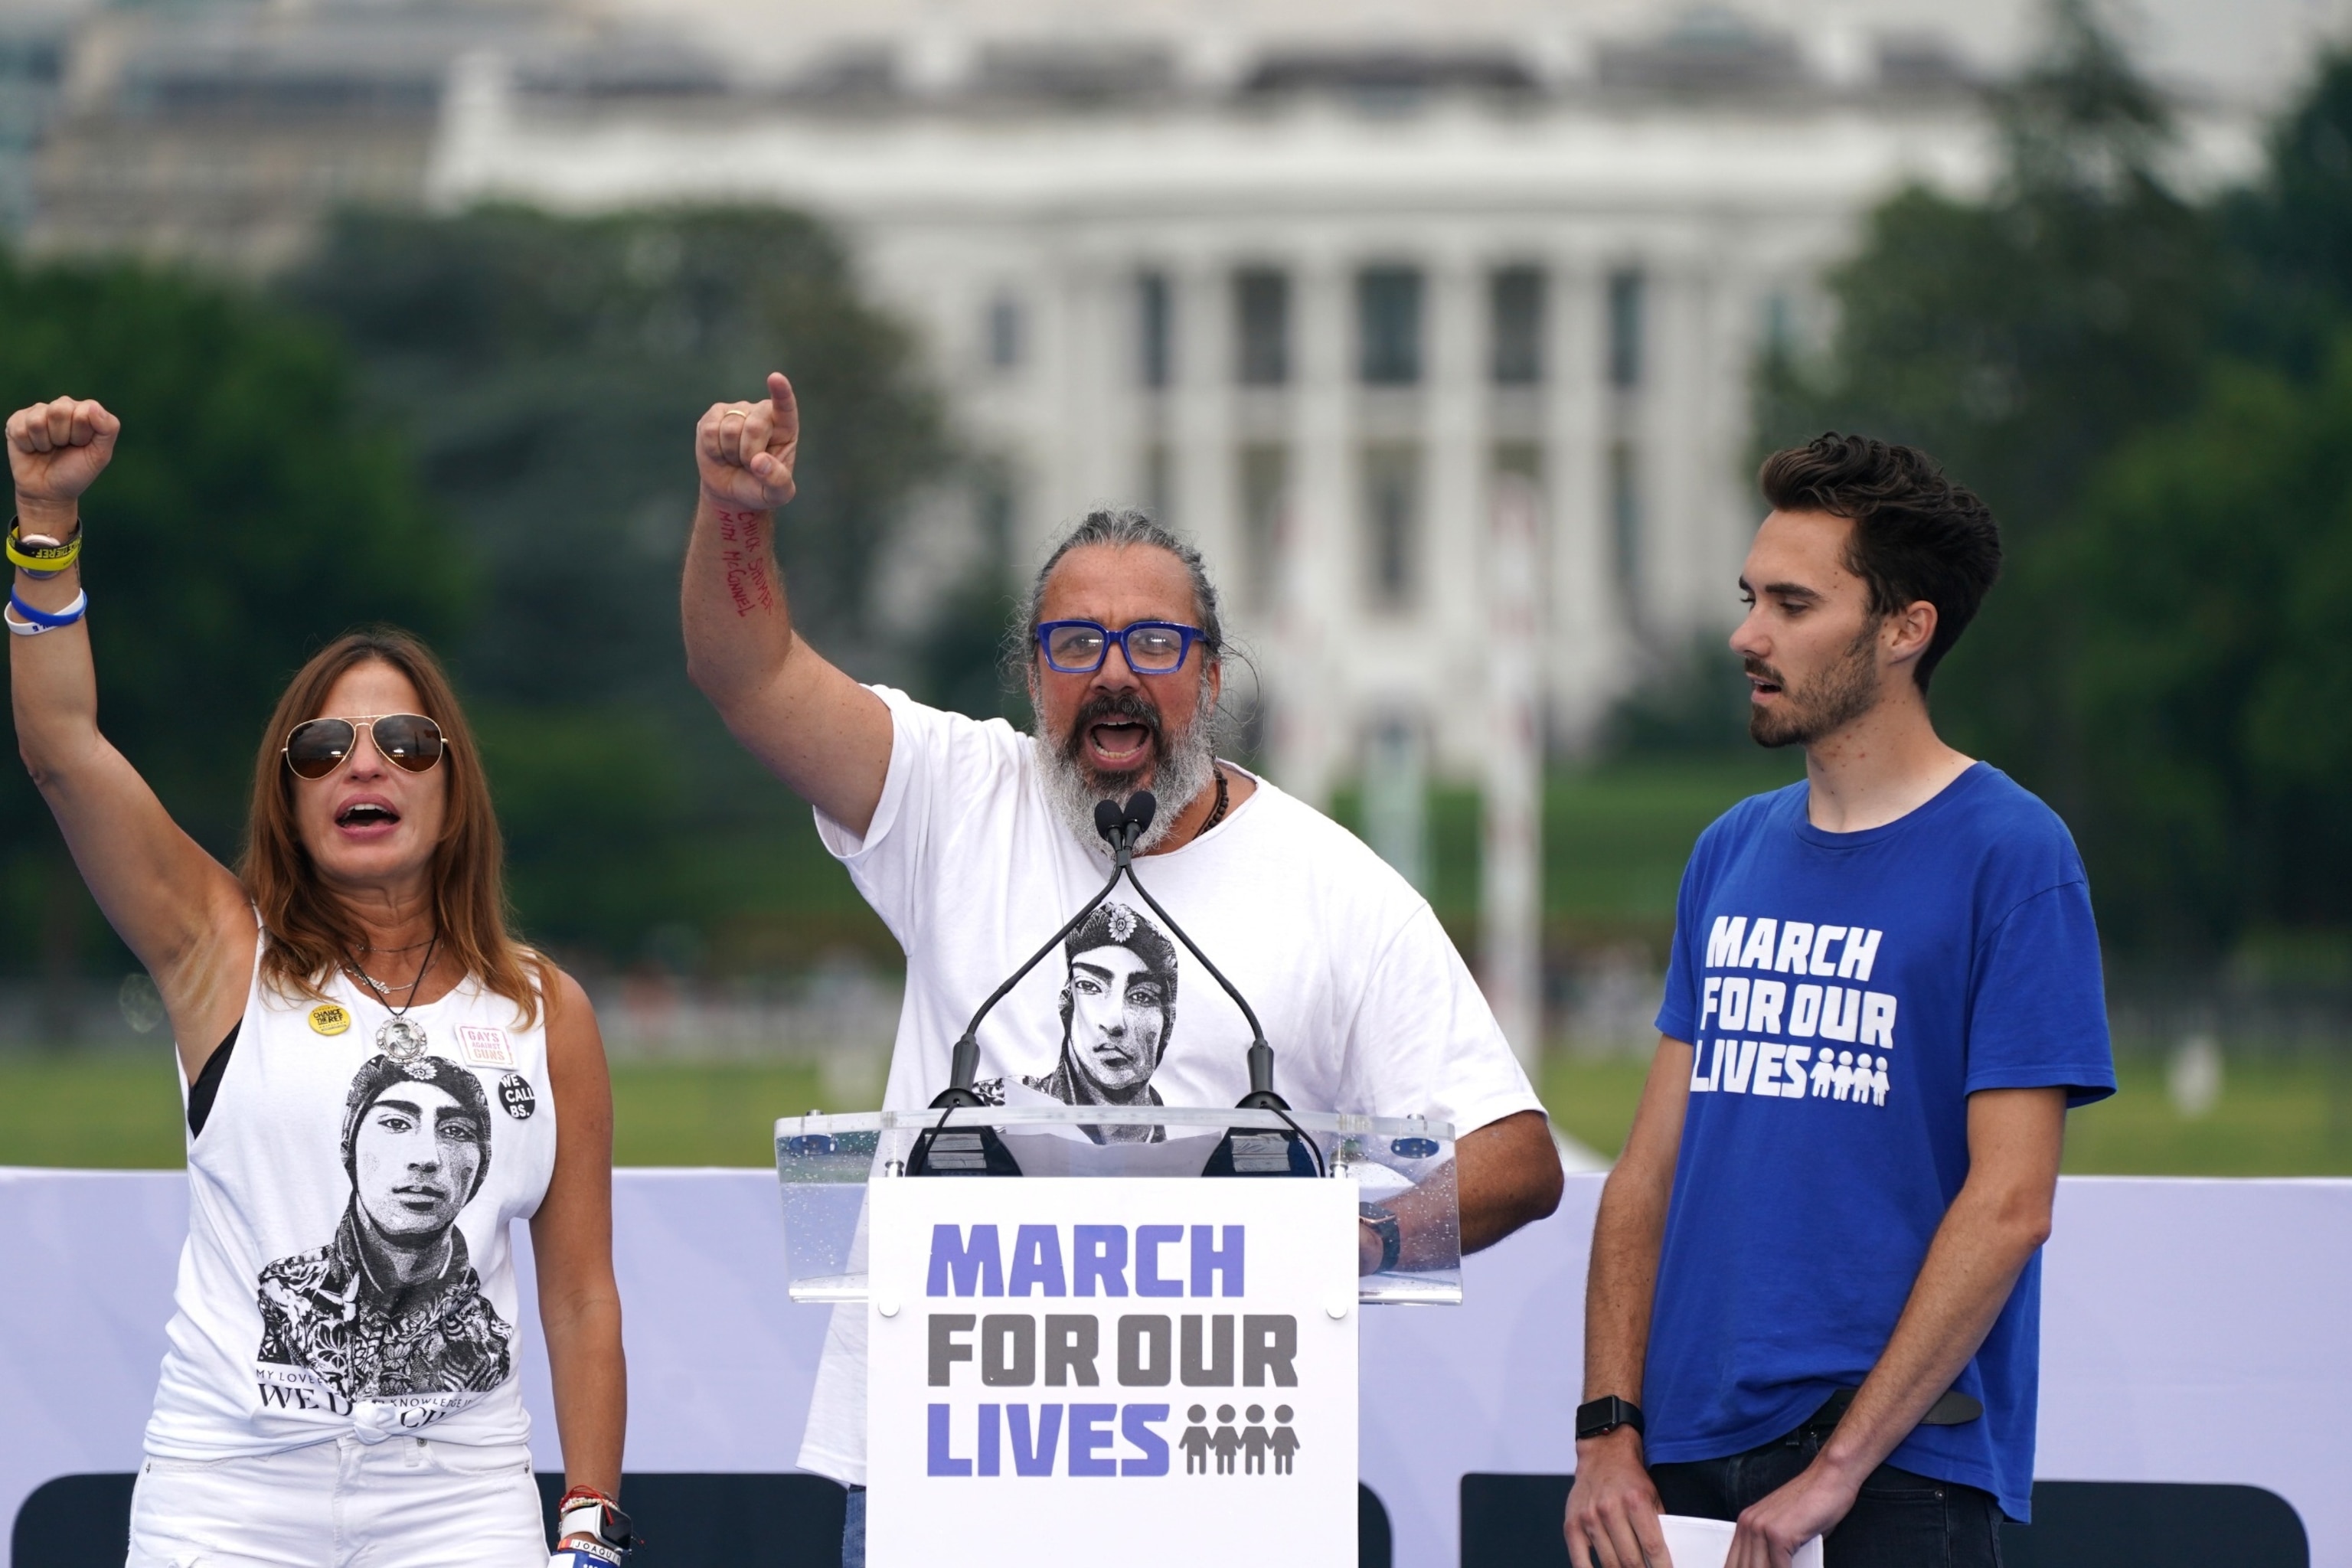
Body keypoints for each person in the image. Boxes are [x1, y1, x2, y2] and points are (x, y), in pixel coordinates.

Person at [681, 374, 1565, 1560]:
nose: (1113, 672)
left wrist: (1331, 1247)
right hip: (943, 1466)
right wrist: (735, 512)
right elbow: (750, 677)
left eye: (1154, 643)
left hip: (1218, 1480)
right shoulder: (953, 795)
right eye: (1075, 643)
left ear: (1208, 673)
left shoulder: (1333, 886)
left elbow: (1515, 1156)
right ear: (1033, 673)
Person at [5, 396, 632, 1567]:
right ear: (290, 797)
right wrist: (46, 522)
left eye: (405, 743)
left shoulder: (550, 1012)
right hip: (226, 1498)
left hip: (459, 1503)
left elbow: (582, 1296)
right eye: (322, 749)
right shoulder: (217, 949)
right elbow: (63, 749)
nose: (364, 764)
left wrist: (590, 1521)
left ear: (453, 792)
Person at [1561, 434, 2115, 1568]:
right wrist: (1607, 1434)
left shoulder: (2015, 855)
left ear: (1905, 629)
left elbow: (2012, 1203)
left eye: (1793, 604)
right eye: (1750, 597)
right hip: (1686, 1459)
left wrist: (1839, 1474)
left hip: (1898, 1471)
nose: (1746, 635)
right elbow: (1647, 1177)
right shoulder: (1729, 851)